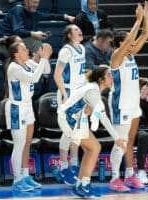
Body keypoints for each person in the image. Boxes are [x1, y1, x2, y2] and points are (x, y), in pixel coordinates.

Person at [58, 66, 126, 198]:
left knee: (91, 149)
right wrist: (117, 138)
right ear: (101, 79)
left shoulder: (93, 89)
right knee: (95, 148)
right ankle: (84, 185)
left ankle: (80, 185)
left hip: (76, 119)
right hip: (70, 119)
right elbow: (102, 117)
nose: (112, 78)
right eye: (109, 75)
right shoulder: (93, 91)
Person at [107, 1, 148, 192]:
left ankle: (130, 174)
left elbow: (145, 34)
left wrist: (146, 18)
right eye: (129, 41)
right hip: (120, 104)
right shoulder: (116, 56)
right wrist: (138, 18)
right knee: (121, 142)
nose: (133, 43)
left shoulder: (131, 55)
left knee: (130, 142)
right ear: (120, 44)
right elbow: (130, 39)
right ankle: (115, 178)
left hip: (133, 104)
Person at [5, 41, 52, 192]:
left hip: (28, 106)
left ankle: (25, 175)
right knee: (19, 145)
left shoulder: (27, 64)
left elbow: (46, 71)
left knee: (27, 143)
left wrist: (44, 56)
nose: (27, 50)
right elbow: (34, 79)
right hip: (16, 108)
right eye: (23, 49)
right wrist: (42, 59)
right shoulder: (13, 67)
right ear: (16, 54)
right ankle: (17, 180)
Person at [53, 24, 87, 185]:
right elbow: (57, 74)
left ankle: (74, 165)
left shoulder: (82, 48)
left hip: (79, 94)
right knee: (67, 131)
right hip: (67, 93)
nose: (79, 30)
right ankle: (64, 167)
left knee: (77, 131)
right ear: (68, 35)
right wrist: (65, 94)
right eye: (75, 29)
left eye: (79, 29)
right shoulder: (66, 51)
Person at [0, 0, 75, 53]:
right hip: (4, 45)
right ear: (26, 1)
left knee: (45, 48)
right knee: (35, 41)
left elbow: (49, 16)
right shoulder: (17, 11)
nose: (35, 5)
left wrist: (65, 16)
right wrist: (34, 34)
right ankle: (43, 73)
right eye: (33, 2)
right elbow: (17, 31)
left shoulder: (34, 14)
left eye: (37, 3)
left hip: (21, 43)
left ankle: (39, 73)